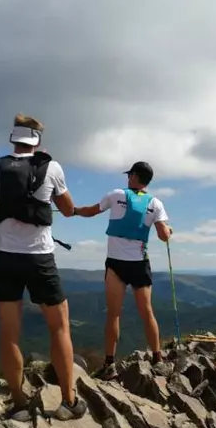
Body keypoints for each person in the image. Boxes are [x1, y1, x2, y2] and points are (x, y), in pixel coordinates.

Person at [0, 113, 88, 421]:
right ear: (37, 140)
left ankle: (20, 404)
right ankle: (69, 402)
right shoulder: (52, 167)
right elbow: (67, 209)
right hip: (40, 259)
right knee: (60, 327)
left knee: (10, 334)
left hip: (5, 258)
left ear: (13, 137)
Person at [72, 161, 172, 380]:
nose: (128, 179)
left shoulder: (117, 194)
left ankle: (109, 364)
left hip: (116, 264)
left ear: (134, 176)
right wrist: (168, 231)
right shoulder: (156, 203)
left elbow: (92, 211)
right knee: (147, 312)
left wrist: (74, 211)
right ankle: (158, 359)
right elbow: (164, 235)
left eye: (130, 175)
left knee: (113, 315)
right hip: (139, 263)